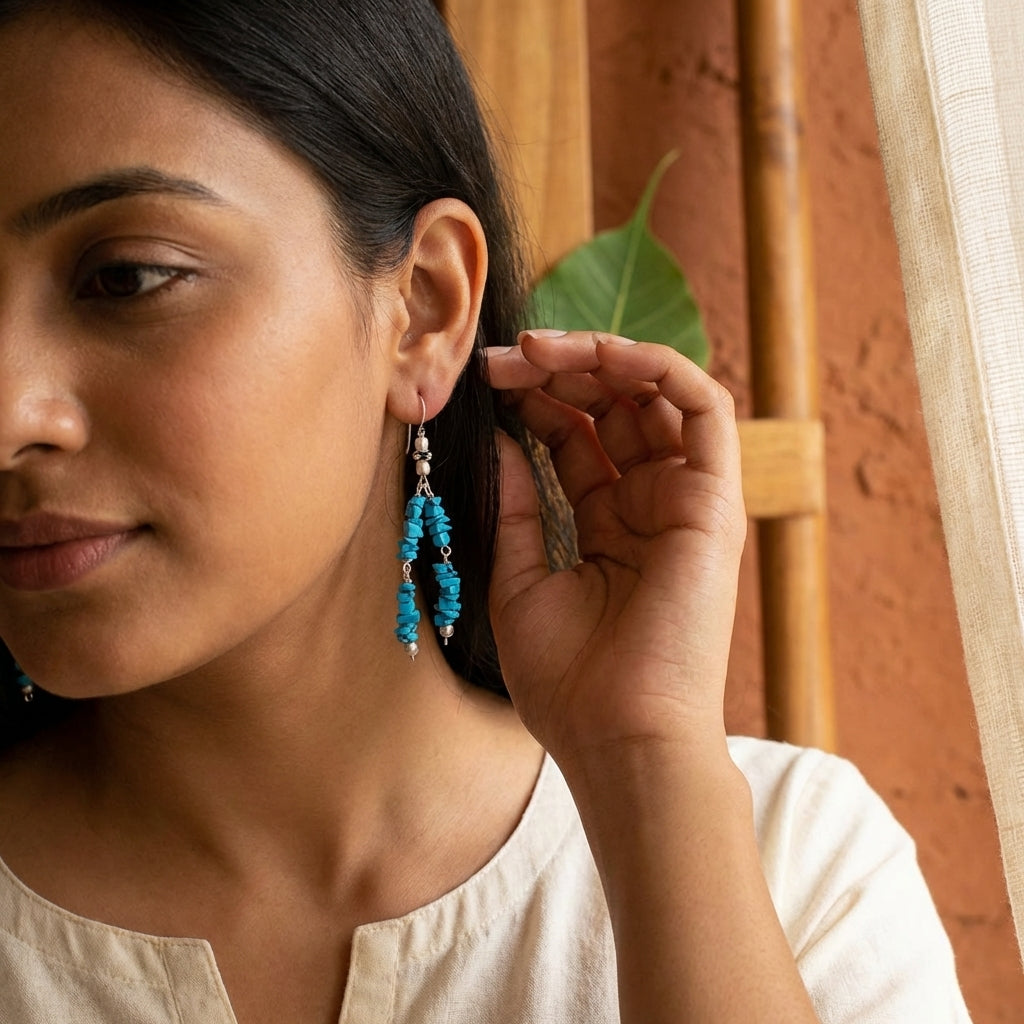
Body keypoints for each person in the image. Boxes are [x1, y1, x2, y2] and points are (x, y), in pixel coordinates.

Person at [0, 1, 972, 1022]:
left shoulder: (798, 877)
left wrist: (645, 771)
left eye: (128, 277)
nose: (11, 413)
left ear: (423, 306)